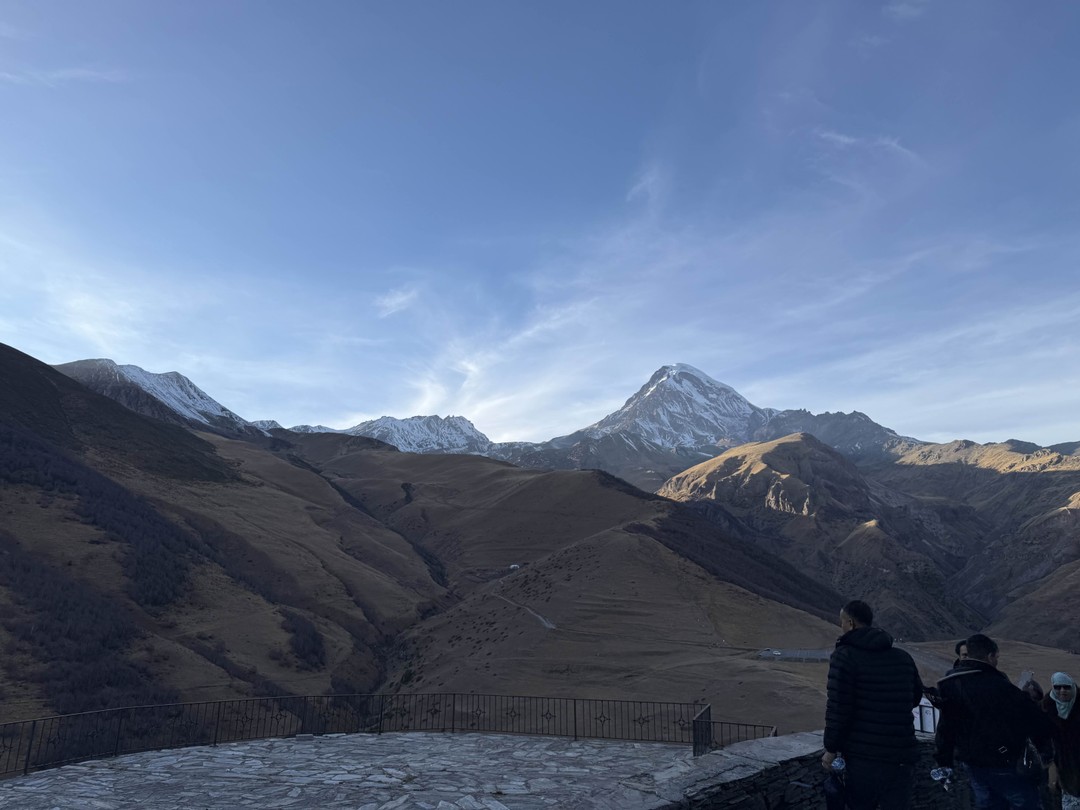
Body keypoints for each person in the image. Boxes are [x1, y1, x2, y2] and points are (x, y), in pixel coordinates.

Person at [822, 599, 924, 810]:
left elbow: (839, 708)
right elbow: (914, 697)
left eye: (841, 622)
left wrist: (831, 748)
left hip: (864, 757)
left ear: (850, 623)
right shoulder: (902, 657)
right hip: (902, 754)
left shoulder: (845, 656)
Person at [935, 634, 1054, 810]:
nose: (997, 662)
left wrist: (944, 760)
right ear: (990, 656)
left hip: (972, 763)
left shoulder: (950, 685)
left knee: (987, 804)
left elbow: (945, 727)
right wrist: (1044, 752)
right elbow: (1035, 720)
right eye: (996, 657)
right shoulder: (1000, 685)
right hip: (1005, 762)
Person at [1042, 672, 1080, 810]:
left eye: (1066, 687)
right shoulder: (1047, 708)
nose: (1062, 691)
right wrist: (1051, 766)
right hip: (1063, 767)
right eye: (1058, 687)